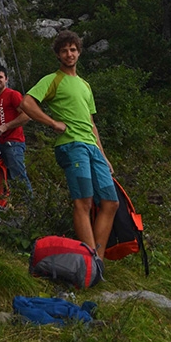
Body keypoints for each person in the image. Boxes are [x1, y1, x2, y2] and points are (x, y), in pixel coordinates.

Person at [20, 30, 119, 261]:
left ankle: (98, 260)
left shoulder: (85, 85)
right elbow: (27, 102)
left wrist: (104, 156)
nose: (69, 54)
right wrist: (52, 122)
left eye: (73, 49)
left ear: (79, 52)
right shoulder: (53, 79)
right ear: (58, 55)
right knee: (83, 201)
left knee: (110, 202)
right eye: (64, 50)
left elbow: (92, 123)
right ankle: (89, 260)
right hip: (72, 145)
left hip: (92, 147)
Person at [0, 65, 33, 193]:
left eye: (0, 77)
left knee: (19, 177)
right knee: (7, 179)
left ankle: (30, 208)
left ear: (6, 79)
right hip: (2, 144)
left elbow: (27, 115)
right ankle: (14, 208)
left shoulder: (13, 95)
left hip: (14, 142)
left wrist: (6, 126)